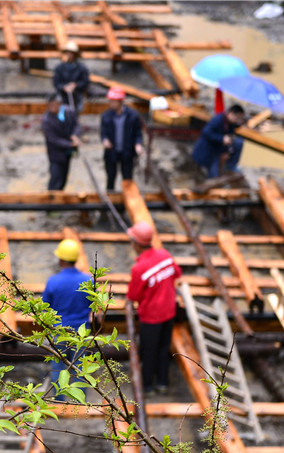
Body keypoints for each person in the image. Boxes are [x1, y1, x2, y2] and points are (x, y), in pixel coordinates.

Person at [126, 221, 182, 394]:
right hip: (169, 312)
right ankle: (163, 382)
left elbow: (133, 296)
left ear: (135, 243)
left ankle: (148, 386)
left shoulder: (139, 268)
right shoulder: (165, 255)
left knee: (148, 351)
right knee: (164, 348)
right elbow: (177, 273)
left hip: (151, 318)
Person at [41, 239, 93, 397]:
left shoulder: (53, 281)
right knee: (80, 367)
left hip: (59, 330)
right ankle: (80, 400)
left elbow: (45, 307)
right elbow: (94, 304)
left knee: (58, 366)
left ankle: (59, 399)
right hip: (81, 331)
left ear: (60, 259)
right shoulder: (87, 280)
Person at [99, 86, 145, 191]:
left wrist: (138, 144)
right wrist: (105, 140)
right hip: (111, 153)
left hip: (127, 153)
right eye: (110, 101)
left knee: (127, 179)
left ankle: (129, 200)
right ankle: (110, 199)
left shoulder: (132, 115)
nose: (111, 104)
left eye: (114, 102)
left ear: (121, 102)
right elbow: (103, 132)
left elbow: (137, 133)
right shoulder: (106, 116)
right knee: (111, 177)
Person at [192, 104, 246, 179]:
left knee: (239, 142)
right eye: (237, 118)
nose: (238, 120)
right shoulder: (218, 120)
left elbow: (230, 139)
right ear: (231, 113)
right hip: (209, 150)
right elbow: (206, 132)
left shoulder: (231, 124)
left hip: (219, 147)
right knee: (213, 175)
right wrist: (221, 138)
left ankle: (230, 167)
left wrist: (228, 152)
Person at [42, 93, 81, 191]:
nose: (52, 107)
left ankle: (60, 194)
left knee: (64, 176)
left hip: (67, 153)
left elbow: (76, 125)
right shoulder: (47, 120)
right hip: (55, 153)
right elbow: (53, 139)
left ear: (59, 104)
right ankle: (51, 200)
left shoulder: (68, 112)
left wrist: (75, 135)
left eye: (54, 105)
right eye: (50, 105)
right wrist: (69, 144)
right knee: (56, 177)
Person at [52, 41, 90, 113]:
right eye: (68, 52)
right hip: (63, 97)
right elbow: (56, 82)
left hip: (77, 97)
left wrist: (75, 85)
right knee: (62, 116)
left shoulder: (81, 68)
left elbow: (85, 81)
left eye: (72, 52)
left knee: (74, 115)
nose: (70, 54)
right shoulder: (60, 68)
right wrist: (64, 87)